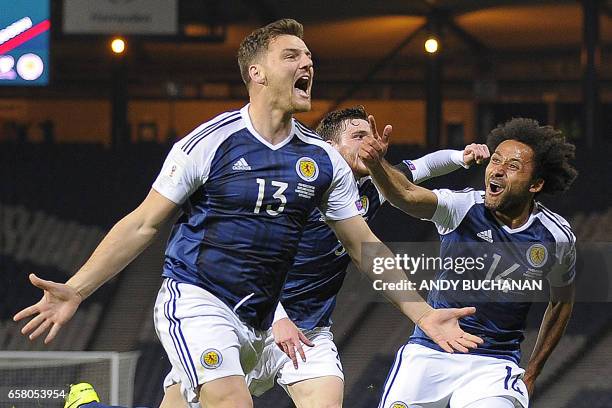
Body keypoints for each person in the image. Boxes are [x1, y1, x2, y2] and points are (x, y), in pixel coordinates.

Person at [15, 19, 481, 408]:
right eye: (292, 56)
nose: (307, 64)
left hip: (264, 320)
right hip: (200, 300)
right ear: (256, 73)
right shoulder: (209, 143)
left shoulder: (322, 161)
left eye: (309, 58)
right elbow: (142, 223)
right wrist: (76, 288)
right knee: (232, 402)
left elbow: (365, 247)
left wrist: (421, 314)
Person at [244, 106, 490, 408]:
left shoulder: (374, 186)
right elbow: (252, 259)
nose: (368, 142)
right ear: (330, 147)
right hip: (249, 318)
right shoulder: (298, 189)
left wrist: (461, 158)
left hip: (310, 331)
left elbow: (423, 167)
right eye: (357, 136)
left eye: (370, 136)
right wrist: (276, 317)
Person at [359, 117, 577, 408]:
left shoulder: (556, 237)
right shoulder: (462, 207)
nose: (497, 170)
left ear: (536, 184)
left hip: (494, 365)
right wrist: (376, 164)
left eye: (512, 166)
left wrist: (532, 372)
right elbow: (407, 194)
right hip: (430, 351)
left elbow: (561, 303)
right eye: (495, 160)